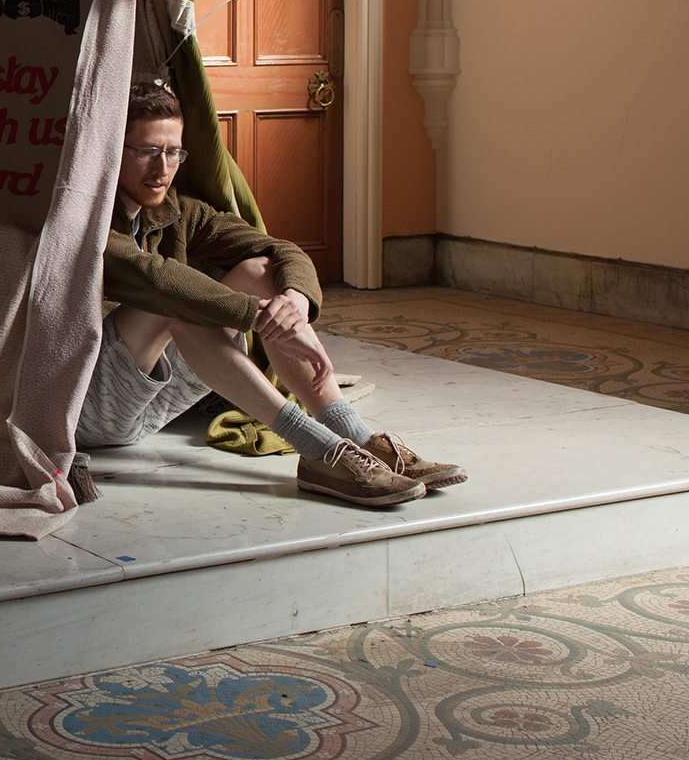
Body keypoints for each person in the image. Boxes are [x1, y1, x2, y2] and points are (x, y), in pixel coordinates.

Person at [79, 80, 467, 506]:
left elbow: (280, 251)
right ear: (114, 149)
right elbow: (156, 280)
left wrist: (294, 303)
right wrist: (256, 314)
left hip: (152, 406)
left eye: (173, 152)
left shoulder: (180, 211)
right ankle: (318, 449)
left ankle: (356, 436)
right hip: (91, 408)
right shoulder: (86, 217)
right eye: (148, 151)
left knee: (261, 269)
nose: (162, 168)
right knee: (175, 302)